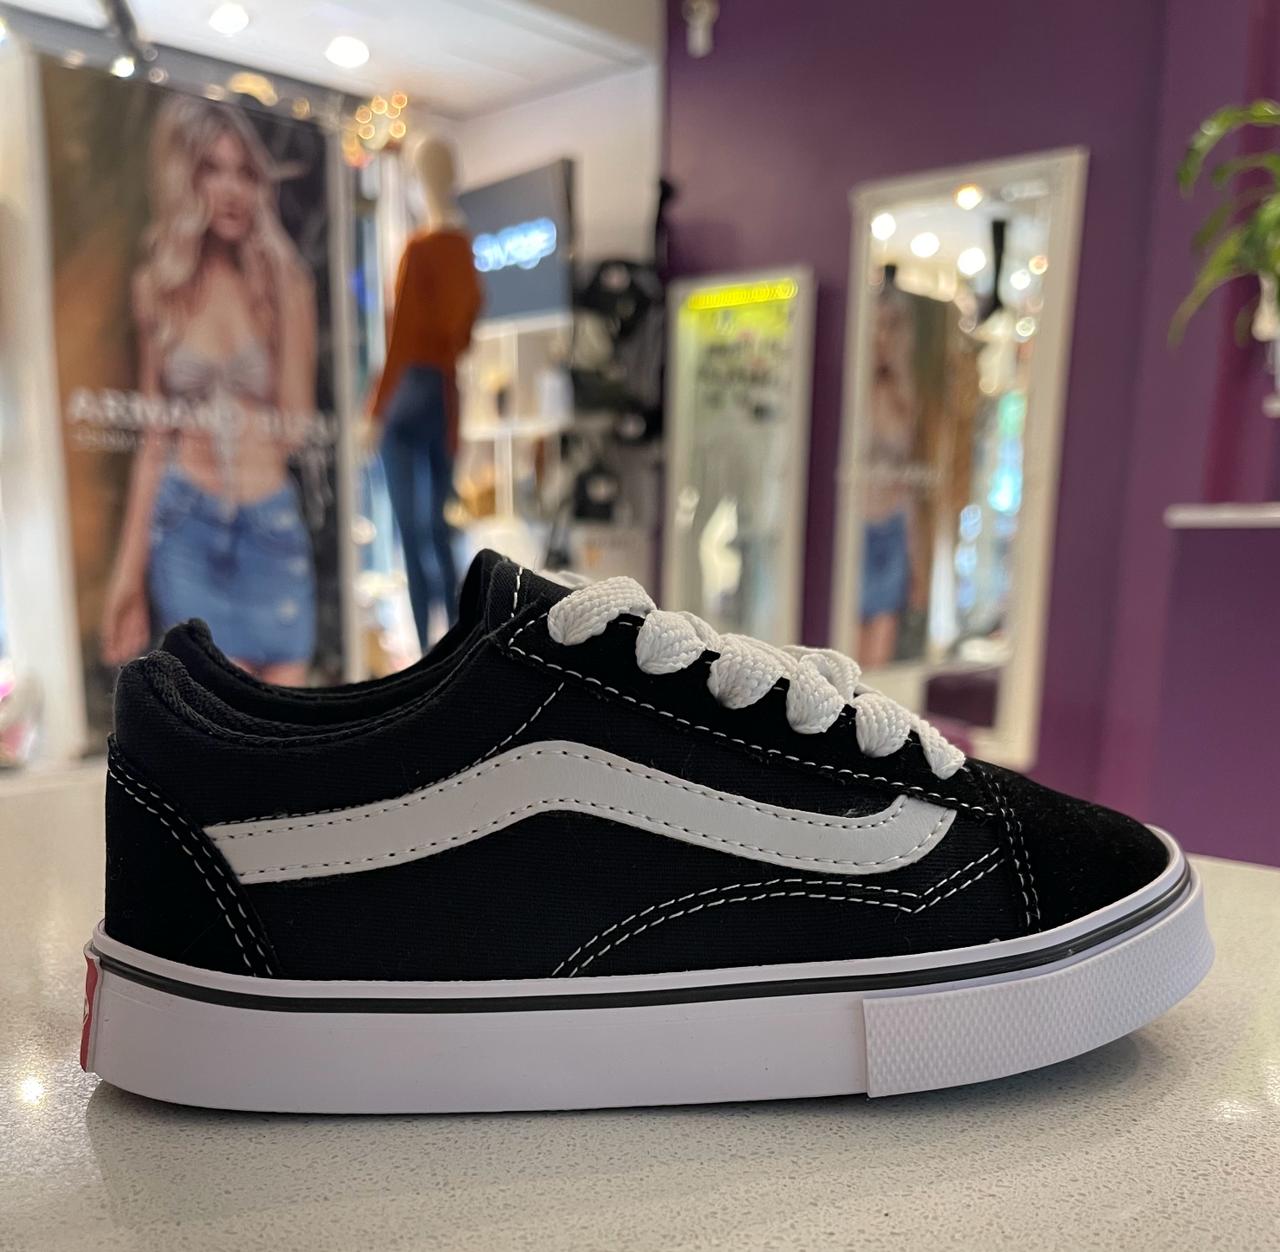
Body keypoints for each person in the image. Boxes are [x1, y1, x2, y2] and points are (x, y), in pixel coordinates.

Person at [100, 96, 318, 684]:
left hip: (269, 526)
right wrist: (127, 577)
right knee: (215, 723)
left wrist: (284, 296)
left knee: (282, 724)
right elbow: (153, 441)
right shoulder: (158, 288)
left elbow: (297, 427)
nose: (232, 190)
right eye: (212, 170)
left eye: (245, 172)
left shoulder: (285, 283)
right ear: (185, 179)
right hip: (186, 525)